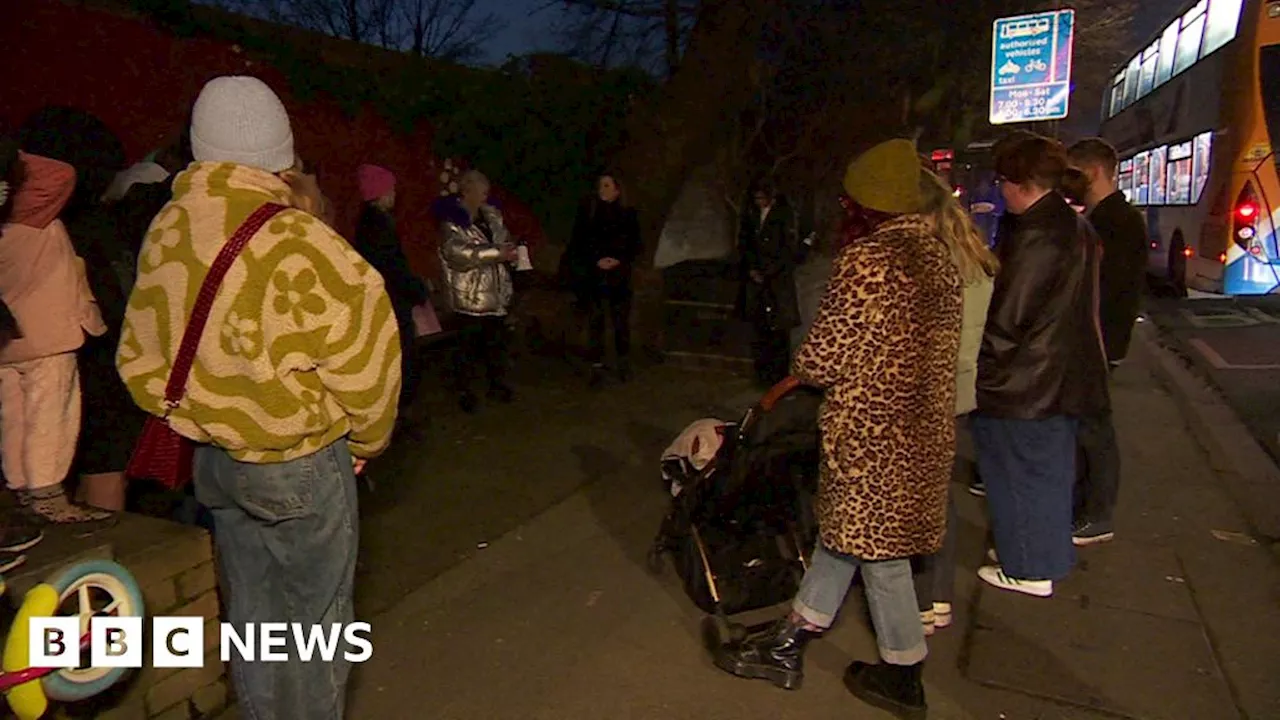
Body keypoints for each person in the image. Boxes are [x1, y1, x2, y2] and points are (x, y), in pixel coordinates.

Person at [117, 76, 401, 720]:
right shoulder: (302, 241)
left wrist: (196, 412)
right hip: (300, 460)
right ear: (283, 151)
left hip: (214, 463)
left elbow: (140, 352)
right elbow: (369, 358)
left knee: (253, 614)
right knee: (314, 628)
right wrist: (367, 440)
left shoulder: (167, 228)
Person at [713, 139, 963, 720]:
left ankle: (904, 674)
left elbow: (824, 357)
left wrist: (795, 373)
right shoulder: (938, 258)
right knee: (845, 537)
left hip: (873, 436)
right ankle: (791, 640)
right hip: (921, 430)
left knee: (877, 553)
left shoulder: (868, 260)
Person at [973, 132, 1109, 598]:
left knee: (1017, 475)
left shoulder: (1036, 233)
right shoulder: (1074, 226)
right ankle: (1040, 552)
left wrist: (983, 370)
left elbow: (1010, 317)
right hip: (1063, 374)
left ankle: (1028, 567)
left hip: (1027, 380)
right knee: (1047, 475)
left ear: (1018, 183)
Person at [0, 141, 113, 528]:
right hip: (47, 335)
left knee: (13, 416)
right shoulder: (29, 212)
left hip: (9, 342)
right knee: (52, 415)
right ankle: (47, 493)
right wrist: (9, 155)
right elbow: (60, 173)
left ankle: (20, 486)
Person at [911, 169, 999, 635]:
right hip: (959, 393)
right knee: (938, 496)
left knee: (918, 503)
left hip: (925, 393)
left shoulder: (930, 262)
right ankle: (938, 596)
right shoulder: (973, 257)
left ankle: (923, 600)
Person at [1065, 138, 1148, 546]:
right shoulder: (1110, 216)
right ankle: (1088, 508)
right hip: (1099, 338)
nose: (1069, 182)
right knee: (1088, 427)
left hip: (1099, 339)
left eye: (1074, 173)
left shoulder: (1116, 221)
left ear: (1093, 172)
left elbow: (1108, 289)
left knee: (1093, 428)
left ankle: (1096, 513)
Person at [354, 163, 430, 438]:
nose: (395, 194)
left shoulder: (370, 223)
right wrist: (417, 289)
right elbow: (392, 267)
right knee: (403, 359)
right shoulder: (378, 227)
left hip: (386, 303)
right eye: (392, 189)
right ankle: (399, 418)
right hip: (391, 305)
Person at [436, 169, 518, 413]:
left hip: (495, 292)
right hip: (469, 296)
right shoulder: (452, 221)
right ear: (467, 191)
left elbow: (503, 240)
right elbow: (457, 253)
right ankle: (465, 390)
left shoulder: (492, 216)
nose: (485, 196)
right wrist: (496, 253)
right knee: (467, 349)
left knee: (496, 344)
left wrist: (511, 254)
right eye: (481, 191)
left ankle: (496, 384)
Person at [564, 172, 641, 385]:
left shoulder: (628, 214)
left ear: (617, 189)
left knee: (619, 321)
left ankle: (623, 361)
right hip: (594, 275)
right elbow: (580, 242)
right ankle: (596, 363)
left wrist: (618, 260)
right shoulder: (590, 213)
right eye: (600, 186)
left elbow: (635, 245)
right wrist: (595, 259)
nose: (602, 190)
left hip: (619, 275)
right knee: (596, 319)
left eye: (607, 186)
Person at [738, 180, 800, 388]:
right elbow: (746, 244)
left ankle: (777, 376)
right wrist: (752, 270)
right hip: (759, 280)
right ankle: (762, 374)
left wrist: (769, 272)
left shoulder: (783, 215)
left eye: (761, 198)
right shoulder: (751, 216)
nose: (758, 203)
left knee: (778, 330)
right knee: (760, 328)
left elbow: (788, 249)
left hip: (776, 281)